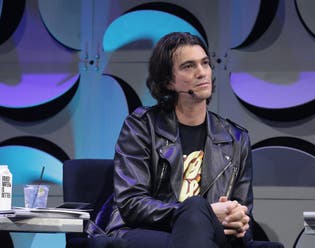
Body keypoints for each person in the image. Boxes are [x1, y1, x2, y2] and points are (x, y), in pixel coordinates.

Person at [104, 32, 283, 248]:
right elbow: (131, 203)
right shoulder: (141, 127)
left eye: (205, 63)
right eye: (188, 66)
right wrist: (201, 212)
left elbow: (243, 214)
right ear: (168, 80)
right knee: (195, 208)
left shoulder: (236, 139)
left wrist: (238, 221)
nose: (201, 73)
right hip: (146, 230)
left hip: (213, 233)